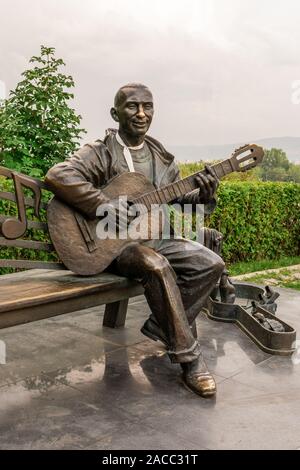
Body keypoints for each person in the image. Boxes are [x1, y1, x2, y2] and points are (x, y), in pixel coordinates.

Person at [45, 83, 225, 398]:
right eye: (132, 106)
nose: (141, 114)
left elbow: (179, 199)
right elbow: (59, 175)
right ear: (116, 113)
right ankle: (189, 358)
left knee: (210, 263)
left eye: (148, 106)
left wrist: (205, 195)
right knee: (155, 265)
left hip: (152, 237)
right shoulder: (101, 150)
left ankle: (161, 326)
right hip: (110, 247)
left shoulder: (162, 159)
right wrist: (102, 205)